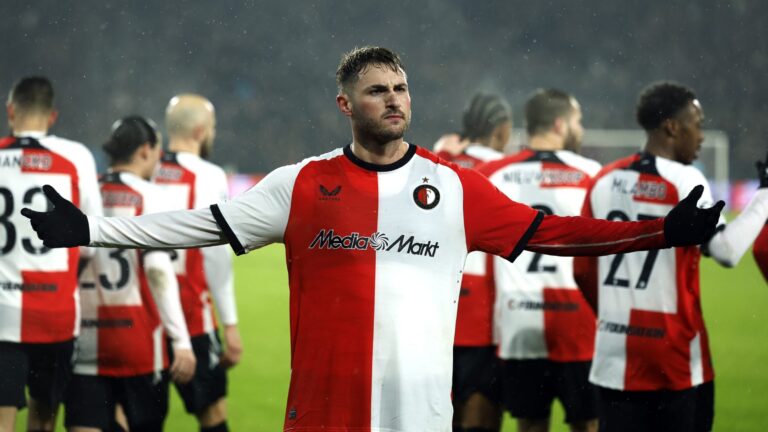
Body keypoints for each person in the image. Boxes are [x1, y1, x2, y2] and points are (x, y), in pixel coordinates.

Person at [22, 47, 724, 432]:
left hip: (419, 414)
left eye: (401, 88)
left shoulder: (453, 188)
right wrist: (88, 228)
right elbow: (199, 225)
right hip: (322, 414)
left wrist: (660, 231)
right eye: (378, 90)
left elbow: (555, 233)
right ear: (346, 105)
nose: (394, 98)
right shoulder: (300, 185)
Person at [574, 82, 768, 432]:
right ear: (672, 128)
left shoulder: (603, 179)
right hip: (673, 354)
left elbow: (581, 270)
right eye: (697, 123)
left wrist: (613, 317)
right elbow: (725, 251)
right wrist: (765, 196)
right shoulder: (685, 179)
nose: (702, 136)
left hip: (613, 353)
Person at [63, 116, 196, 432]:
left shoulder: (85, 193)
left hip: (85, 340)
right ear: (146, 150)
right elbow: (158, 271)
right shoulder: (155, 197)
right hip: (138, 343)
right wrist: (181, 340)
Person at [478, 89, 599, 432]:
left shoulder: (492, 174)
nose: (581, 129)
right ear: (560, 124)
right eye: (578, 121)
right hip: (580, 321)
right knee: (589, 423)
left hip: (518, 321)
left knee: (530, 424)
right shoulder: (592, 174)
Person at [0, 76, 102, 432]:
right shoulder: (75, 157)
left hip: (1, 315)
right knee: (43, 422)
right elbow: (93, 236)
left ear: (10, 110)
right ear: (53, 115)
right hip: (55, 313)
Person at [153, 94, 241, 432]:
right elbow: (216, 254)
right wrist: (230, 325)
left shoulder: (144, 168)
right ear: (201, 131)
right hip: (190, 314)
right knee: (212, 414)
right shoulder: (208, 174)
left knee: (137, 417)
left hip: (142, 317)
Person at [434, 93, 511, 432]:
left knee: (440, 408)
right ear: (501, 130)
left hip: (438, 303)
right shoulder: (504, 169)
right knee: (481, 408)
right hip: (483, 307)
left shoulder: (438, 163)